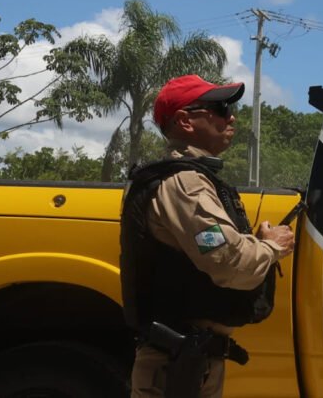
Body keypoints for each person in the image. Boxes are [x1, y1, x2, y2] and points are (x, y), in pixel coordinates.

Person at [120, 74, 295, 398]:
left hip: (188, 361)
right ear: (185, 121)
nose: (231, 117)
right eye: (220, 108)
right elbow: (229, 263)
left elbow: (217, 249)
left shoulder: (190, 178)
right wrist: (272, 247)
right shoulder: (185, 183)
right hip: (177, 367)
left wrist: (256, 244)